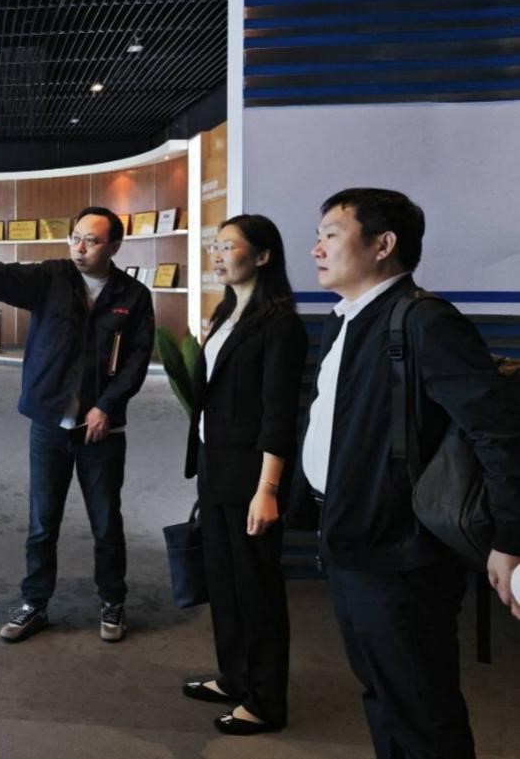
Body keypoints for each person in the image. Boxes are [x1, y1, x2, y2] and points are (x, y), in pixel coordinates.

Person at [295, 188, 520, 759]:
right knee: (382, 695)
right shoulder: (345, 321)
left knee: (423, 712)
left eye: (331, 235)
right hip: (348, 539)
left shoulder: (424, 321)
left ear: (383, 244)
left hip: (401, 556)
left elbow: (497, 432)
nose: (316, 248)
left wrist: (509, 538)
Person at [0, 206, 153, 644]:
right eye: (76, 237)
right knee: (42, 522)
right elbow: (9, 275)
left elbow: (136, 361)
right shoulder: (52, 277)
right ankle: (35, 603)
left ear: (114, 246)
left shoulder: (134, 296)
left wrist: (106, 406)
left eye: (92, 241)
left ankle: (112, 601)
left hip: (102, 430)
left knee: (106, 522)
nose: (80, 248)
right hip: (49, 424)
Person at [179, 215, 306, 736]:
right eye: (215, 246)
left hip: (252, 477)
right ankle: (234, 677)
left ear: (263, 256)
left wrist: (268, 489)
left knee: (256, 589)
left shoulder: (280, 324)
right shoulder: (226, 312)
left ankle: (266, 702)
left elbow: (279, 415)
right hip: (215, 466)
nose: (217, 254)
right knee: (224, 582)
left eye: (228, 246)